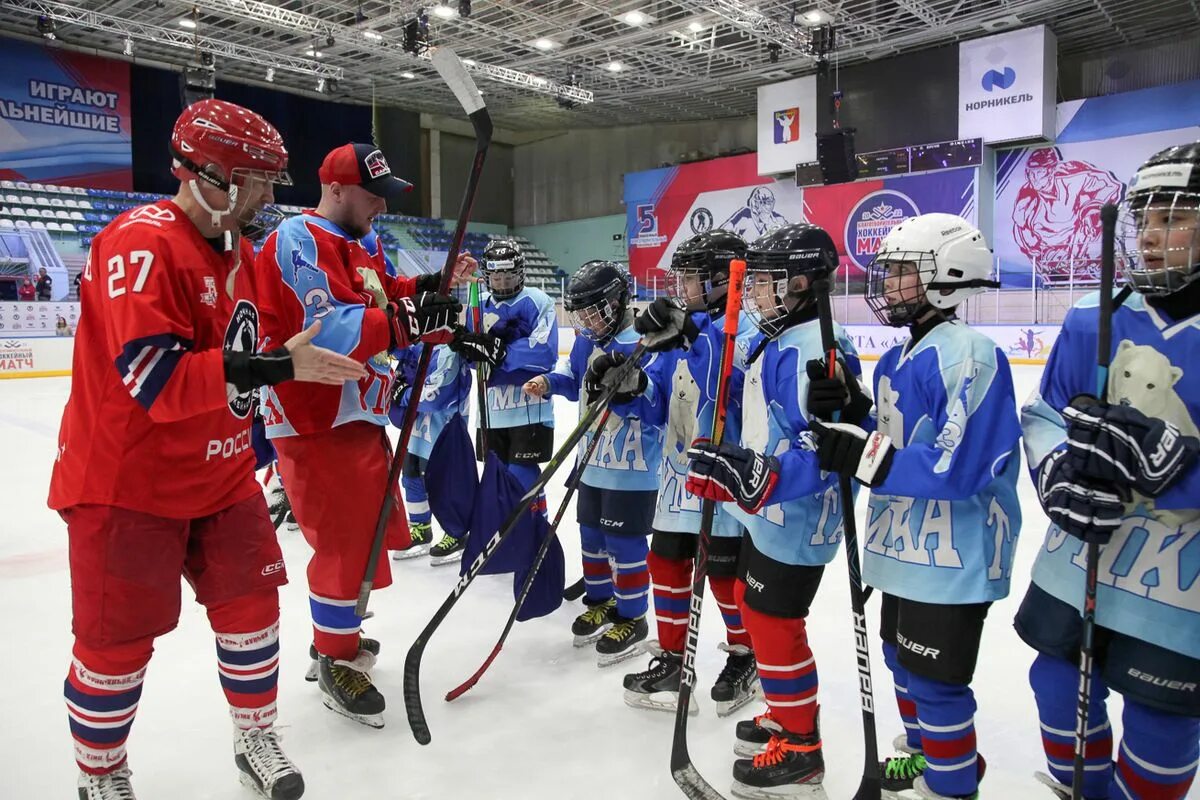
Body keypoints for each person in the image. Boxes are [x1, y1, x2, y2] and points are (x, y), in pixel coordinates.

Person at [48, 98, 365, 800]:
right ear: (210, 175)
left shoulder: (240, 251)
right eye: (256, 180)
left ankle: (254, 736)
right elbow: (154, 381)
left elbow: (295, 337)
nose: (266, 197)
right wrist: (279, 368)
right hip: (125, 483)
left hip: (221, 474)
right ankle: (101, 775)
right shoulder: (141, 241)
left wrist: (402, 321)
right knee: (117, 647)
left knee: (253, 610)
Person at [254, 141, 470, 728]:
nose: (382, 204)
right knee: (346, 543)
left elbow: (386, 294)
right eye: (373, 194)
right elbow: (333, 326)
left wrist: (430, 287)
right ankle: (335, 657)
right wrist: (415, 320)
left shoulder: (361, 242)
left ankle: (334, 637)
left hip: (358, 414)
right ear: (337, 190)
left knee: (366, 539)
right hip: (317, 417)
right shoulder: (298, 238)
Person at [813, 213, 1022, 800]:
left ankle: (953, 785)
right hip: (903, 548)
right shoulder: (895, 360)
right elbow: (889, 440)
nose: (889, 283)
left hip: (950, 556)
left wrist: (862, 454)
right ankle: (933, 754)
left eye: (905, 271)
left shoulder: (971, 356)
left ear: (948, 279)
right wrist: (850, 412)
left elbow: (959, 465)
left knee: (936, 681)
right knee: (901, 661)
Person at [1016, 142, 1200, 800]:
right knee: (1056, 685)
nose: (1152, 236)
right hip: (1082, 560)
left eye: (1174, 218)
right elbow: (1042, 415)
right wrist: (1057, 470)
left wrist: (1180, 471)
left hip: (1183, 587)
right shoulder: (1093, 317)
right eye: (1145, 218)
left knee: (1160, 722)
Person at [683, 224, 858, 800]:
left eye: (765, 281)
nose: (754, 292)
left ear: (801, 283)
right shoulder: (776, 336)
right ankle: (786, 715)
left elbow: (837, 440)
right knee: (759, 615)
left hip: (799, 514)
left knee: (777, 622)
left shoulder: (817, 346)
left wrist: (765, 477)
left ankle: (803, 749)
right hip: (770, 510)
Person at [623, 230, 759, 717]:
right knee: (665, 562)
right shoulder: (677, 332)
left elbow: (740, 394)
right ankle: (673, 658)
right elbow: (658, 408)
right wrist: (634, 385)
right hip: (678, 476)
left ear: (723, 279)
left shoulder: (748, 331)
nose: (680, 286)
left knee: (723, 575)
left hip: (723, 479)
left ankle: (747, 657)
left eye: (689, 276)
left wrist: (696, 337)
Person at [524, 260, 665, 666]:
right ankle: (601, 600)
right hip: (592, 463)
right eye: (581, 313)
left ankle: (633, 615)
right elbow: (573, 378)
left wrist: (637, 386)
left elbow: (657, 402)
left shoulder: (645, 342)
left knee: (625, 544)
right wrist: (550, 382)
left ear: (619, 301)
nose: (587, 321)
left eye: (594, 311)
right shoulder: (587, 341)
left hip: (632, 469)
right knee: (592, 538)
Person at [450, 239, 558, 564]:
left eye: (508, 276)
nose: (502, 283)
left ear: (520, 272)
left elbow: (545, 353)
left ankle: (535, 531)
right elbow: (471, 358)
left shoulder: (537, 300)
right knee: (498, 479)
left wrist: (499, 354)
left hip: (530, 410)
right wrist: (471, 349)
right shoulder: (477, 304)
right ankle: (513, 536)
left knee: (522, 475)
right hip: (491, 412)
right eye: (496, 277)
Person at [388, 341, 472, 564]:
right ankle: (420, 530)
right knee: (411, 475)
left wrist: (404, 394)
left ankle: (457, 534)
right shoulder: (425, 343)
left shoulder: (450, 349)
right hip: (418, 426)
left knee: (445, 484)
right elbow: (405, 352)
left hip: (445, 428)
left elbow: (436, 396)